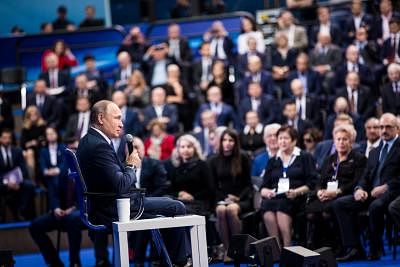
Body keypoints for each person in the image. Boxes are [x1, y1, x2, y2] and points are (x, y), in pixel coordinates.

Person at [76, 100, 189, 266]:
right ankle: (180, 262)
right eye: (117, 118)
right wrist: (131, 165)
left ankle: (170, 260)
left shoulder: (87, 140)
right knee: (177, 207)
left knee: (168, 205)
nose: (121, 124)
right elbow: (122, 185)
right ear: (101, 118)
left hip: (103, 205)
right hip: (114, 209)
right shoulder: (99, 145)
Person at [332, 113, 400, 261]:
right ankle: (355, 248)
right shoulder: (375, 151)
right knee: (339, 204)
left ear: (397, 129)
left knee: (375, 207)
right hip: (370, 193)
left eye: (388, 127)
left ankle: (375, 249)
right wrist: (359, 189)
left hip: (393, 193)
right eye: (381, 127)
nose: (384, 130)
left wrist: (386, 186)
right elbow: (366, 175)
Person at [306, 124, 366, 249]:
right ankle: (318, 247)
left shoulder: (359, 158)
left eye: (345, 139)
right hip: (326, 195)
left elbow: (356, 182)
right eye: (338, 139)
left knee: (327, 212)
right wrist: (319, 192)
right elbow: (320, 180)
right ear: (334, 141)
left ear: (351, 141)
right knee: (310, 213)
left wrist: (337, 192)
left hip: (344, 194)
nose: (341, 142)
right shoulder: (330, 159)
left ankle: (335, 247)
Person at [30, 127, 83, 267]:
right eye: (70, 150)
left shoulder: (88, 170)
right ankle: (54, 263)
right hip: (62, 212)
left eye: (76, 150)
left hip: (82, 212)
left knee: (72, 219)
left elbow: (90, 196)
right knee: (35, 226)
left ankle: (74, 262)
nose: (73, 153)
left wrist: (74, 208)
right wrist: (56, 208)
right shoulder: (62, 172)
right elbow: (53, 193)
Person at [260, 126, 316, 247]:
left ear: (294, 141)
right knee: (266, 205)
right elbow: (263, 187)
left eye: (286, 138)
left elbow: (312, 183)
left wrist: (296, 192)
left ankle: (287, 245)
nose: (282, 141)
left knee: (282, 205)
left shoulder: (304, 157)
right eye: (280, 138)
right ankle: (276, 247)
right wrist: (267, 192)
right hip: (276, 196)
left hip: (297, 197)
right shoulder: (273, 160)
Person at [208, 129, 252, 262]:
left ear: (235, 142)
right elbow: (213, 186)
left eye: (230, 140)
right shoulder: (213, 160)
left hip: (241, 198)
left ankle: (237, 249)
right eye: (224, 140)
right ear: (220, 142)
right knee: (221, 210)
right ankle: (228, 250)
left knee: (232, 209)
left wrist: (237, 198)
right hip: (221, 198)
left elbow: (248, 183)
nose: (227, 143)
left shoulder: (243, 157)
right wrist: (224, 198)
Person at [166, 134, 214, 215]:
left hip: (199, 202)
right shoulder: (176, 167)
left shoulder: (202, 165)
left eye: (189, 147)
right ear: (178, 150)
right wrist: (179, 193)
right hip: (180, 202)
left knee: (178, 210)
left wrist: (192, 196)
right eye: (182, 147)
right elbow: (171, 189)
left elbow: (210, 189)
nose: (186, 150)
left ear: (195, 149)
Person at [0, 129, 35, 221]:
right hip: (2, 182)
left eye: (9, 138)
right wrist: (7, 183)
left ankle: (22, 211)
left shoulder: (17, 150)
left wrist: (17, 181)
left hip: (17, 180)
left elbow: (23, 169)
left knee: (29, 185)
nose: (7, 140)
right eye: (4, 138)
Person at [20, 106, 47, 182]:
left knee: (34, 152)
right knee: (29, 153)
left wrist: (31, 143)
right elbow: (23, 144)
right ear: (28, 116)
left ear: (38, 115)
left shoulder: (43, 126)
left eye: (35, 114)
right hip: (30, 151)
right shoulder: (25, 128)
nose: (33, 116)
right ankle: (32, 179)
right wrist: (33, 142)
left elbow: (44, 141)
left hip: (40, 149)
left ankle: (37, 180)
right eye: (30, 114)